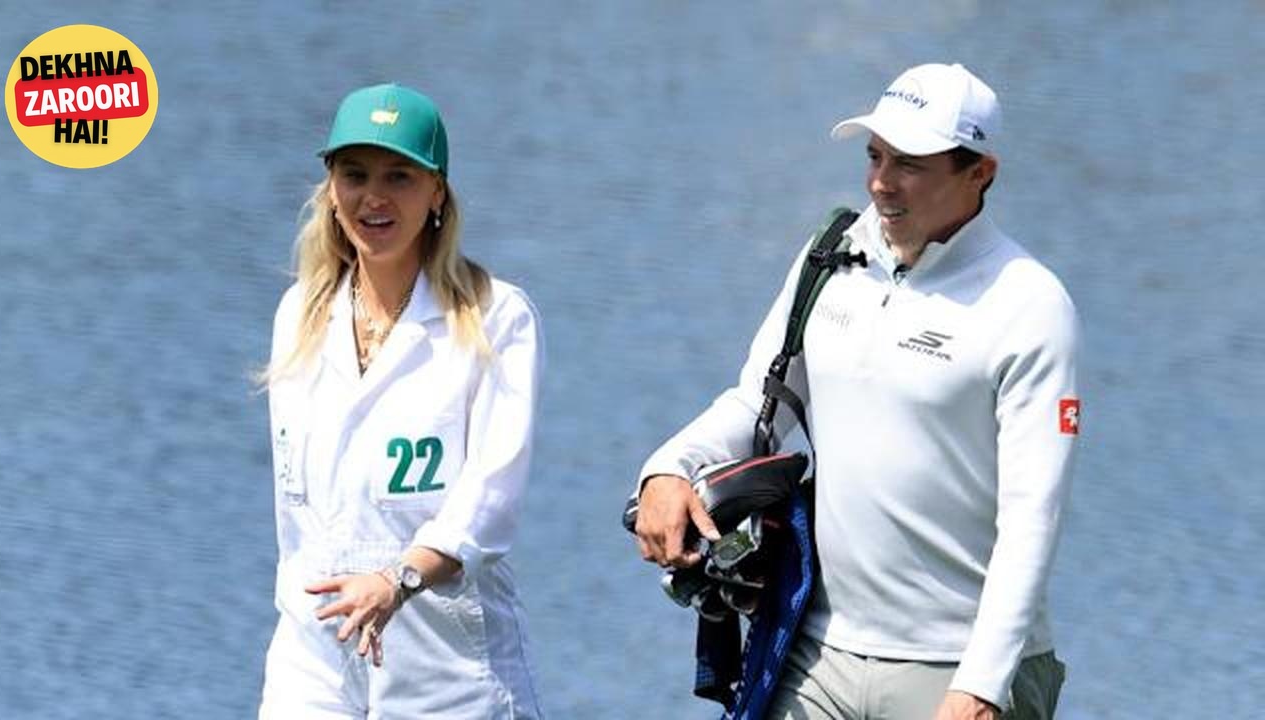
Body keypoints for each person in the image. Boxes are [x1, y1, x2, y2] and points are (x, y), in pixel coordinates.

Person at [633, 63, 1080, 719]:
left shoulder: (1030, 304)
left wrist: (982, 685)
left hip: (957, 667)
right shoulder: (830, 257)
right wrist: (669, 468)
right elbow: (757, 403)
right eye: (875, 156)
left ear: (980, 172)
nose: (880, 182)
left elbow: (1032, 517)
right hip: (815, 655)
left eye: (910, 164)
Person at [258, 82, 544, 719]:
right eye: (355, 174)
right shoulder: (299, 315)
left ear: (437, 191)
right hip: (314, 665)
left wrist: (397, 580)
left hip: (450, 673)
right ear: (331, 188)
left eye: (399, 176)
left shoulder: (497, 318)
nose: (374, 197)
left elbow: (490, 501)